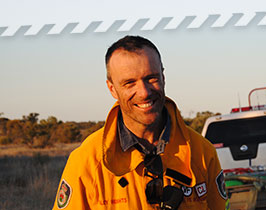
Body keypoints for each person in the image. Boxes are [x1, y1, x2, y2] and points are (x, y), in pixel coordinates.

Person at [53, 35, 227, 210]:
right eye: (129, 83)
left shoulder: (202, 152)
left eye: (151, 78)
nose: (144, 92)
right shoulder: (87, 161)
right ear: (112, 88)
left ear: (163, 77)